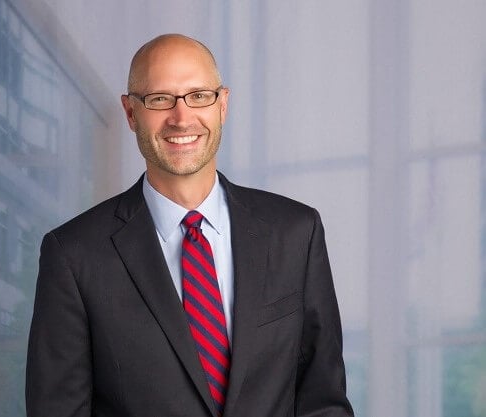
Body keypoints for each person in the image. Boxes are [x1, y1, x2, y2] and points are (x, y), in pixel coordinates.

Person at [26, 33, 354, 417]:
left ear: (223, 105)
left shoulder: (297, 232)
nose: (181, 117)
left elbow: (323, 401)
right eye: (159, 99)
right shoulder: (73, 255)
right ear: (131, 113)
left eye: (199, 95)